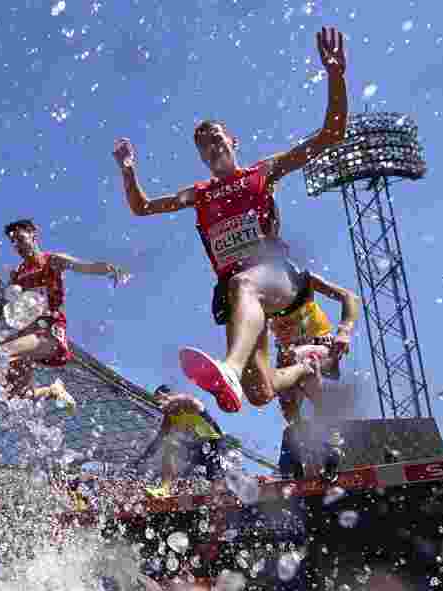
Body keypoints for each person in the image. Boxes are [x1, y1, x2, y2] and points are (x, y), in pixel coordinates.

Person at [113, 27, 348, 414]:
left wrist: (335, 74)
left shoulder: (262, 172)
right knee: (259, 391)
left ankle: (231, 369)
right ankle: (303, 369)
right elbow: (142, 208)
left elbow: (331, 134)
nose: (212, 145)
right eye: (204, 144)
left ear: (233, 141)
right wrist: (127, 171)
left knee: (244, 284)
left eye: (218, 137)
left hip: (276, 276)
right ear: (201, 156)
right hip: (238, 292)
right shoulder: (198, 193)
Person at [0, 218, 126, 433]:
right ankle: (52, 390)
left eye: (21, 239)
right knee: (17, 393)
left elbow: (84, 266)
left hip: (49, 333)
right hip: (28, 336)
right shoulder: (18, 274)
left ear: (34, 234)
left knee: (3, 353)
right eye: (14, 243)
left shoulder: (52, 260)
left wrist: (110, 269)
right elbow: (6, 303)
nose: (18, 246)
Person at [269, 271, 360, 424]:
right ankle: (302, 433)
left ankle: (327, 417)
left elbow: (350, 297)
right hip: (288, 355)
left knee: (297, 357)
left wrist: (344, 331)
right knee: (286, 402)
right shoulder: (259, 294)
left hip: (323, 347)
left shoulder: (304, 279)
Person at [135, 385, 225, 498]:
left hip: (213, 441)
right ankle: (164, 489)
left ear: (171, 397)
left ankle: (219, 492)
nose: (160, 406)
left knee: (212, 466)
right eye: (157, 403)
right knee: (170, 445)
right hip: (195, 444)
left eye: (161, 400)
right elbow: (158, 440)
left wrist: (171, 400)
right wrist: (143, 459)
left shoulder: (189, 404)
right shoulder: (169, 417)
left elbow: (188, 398)